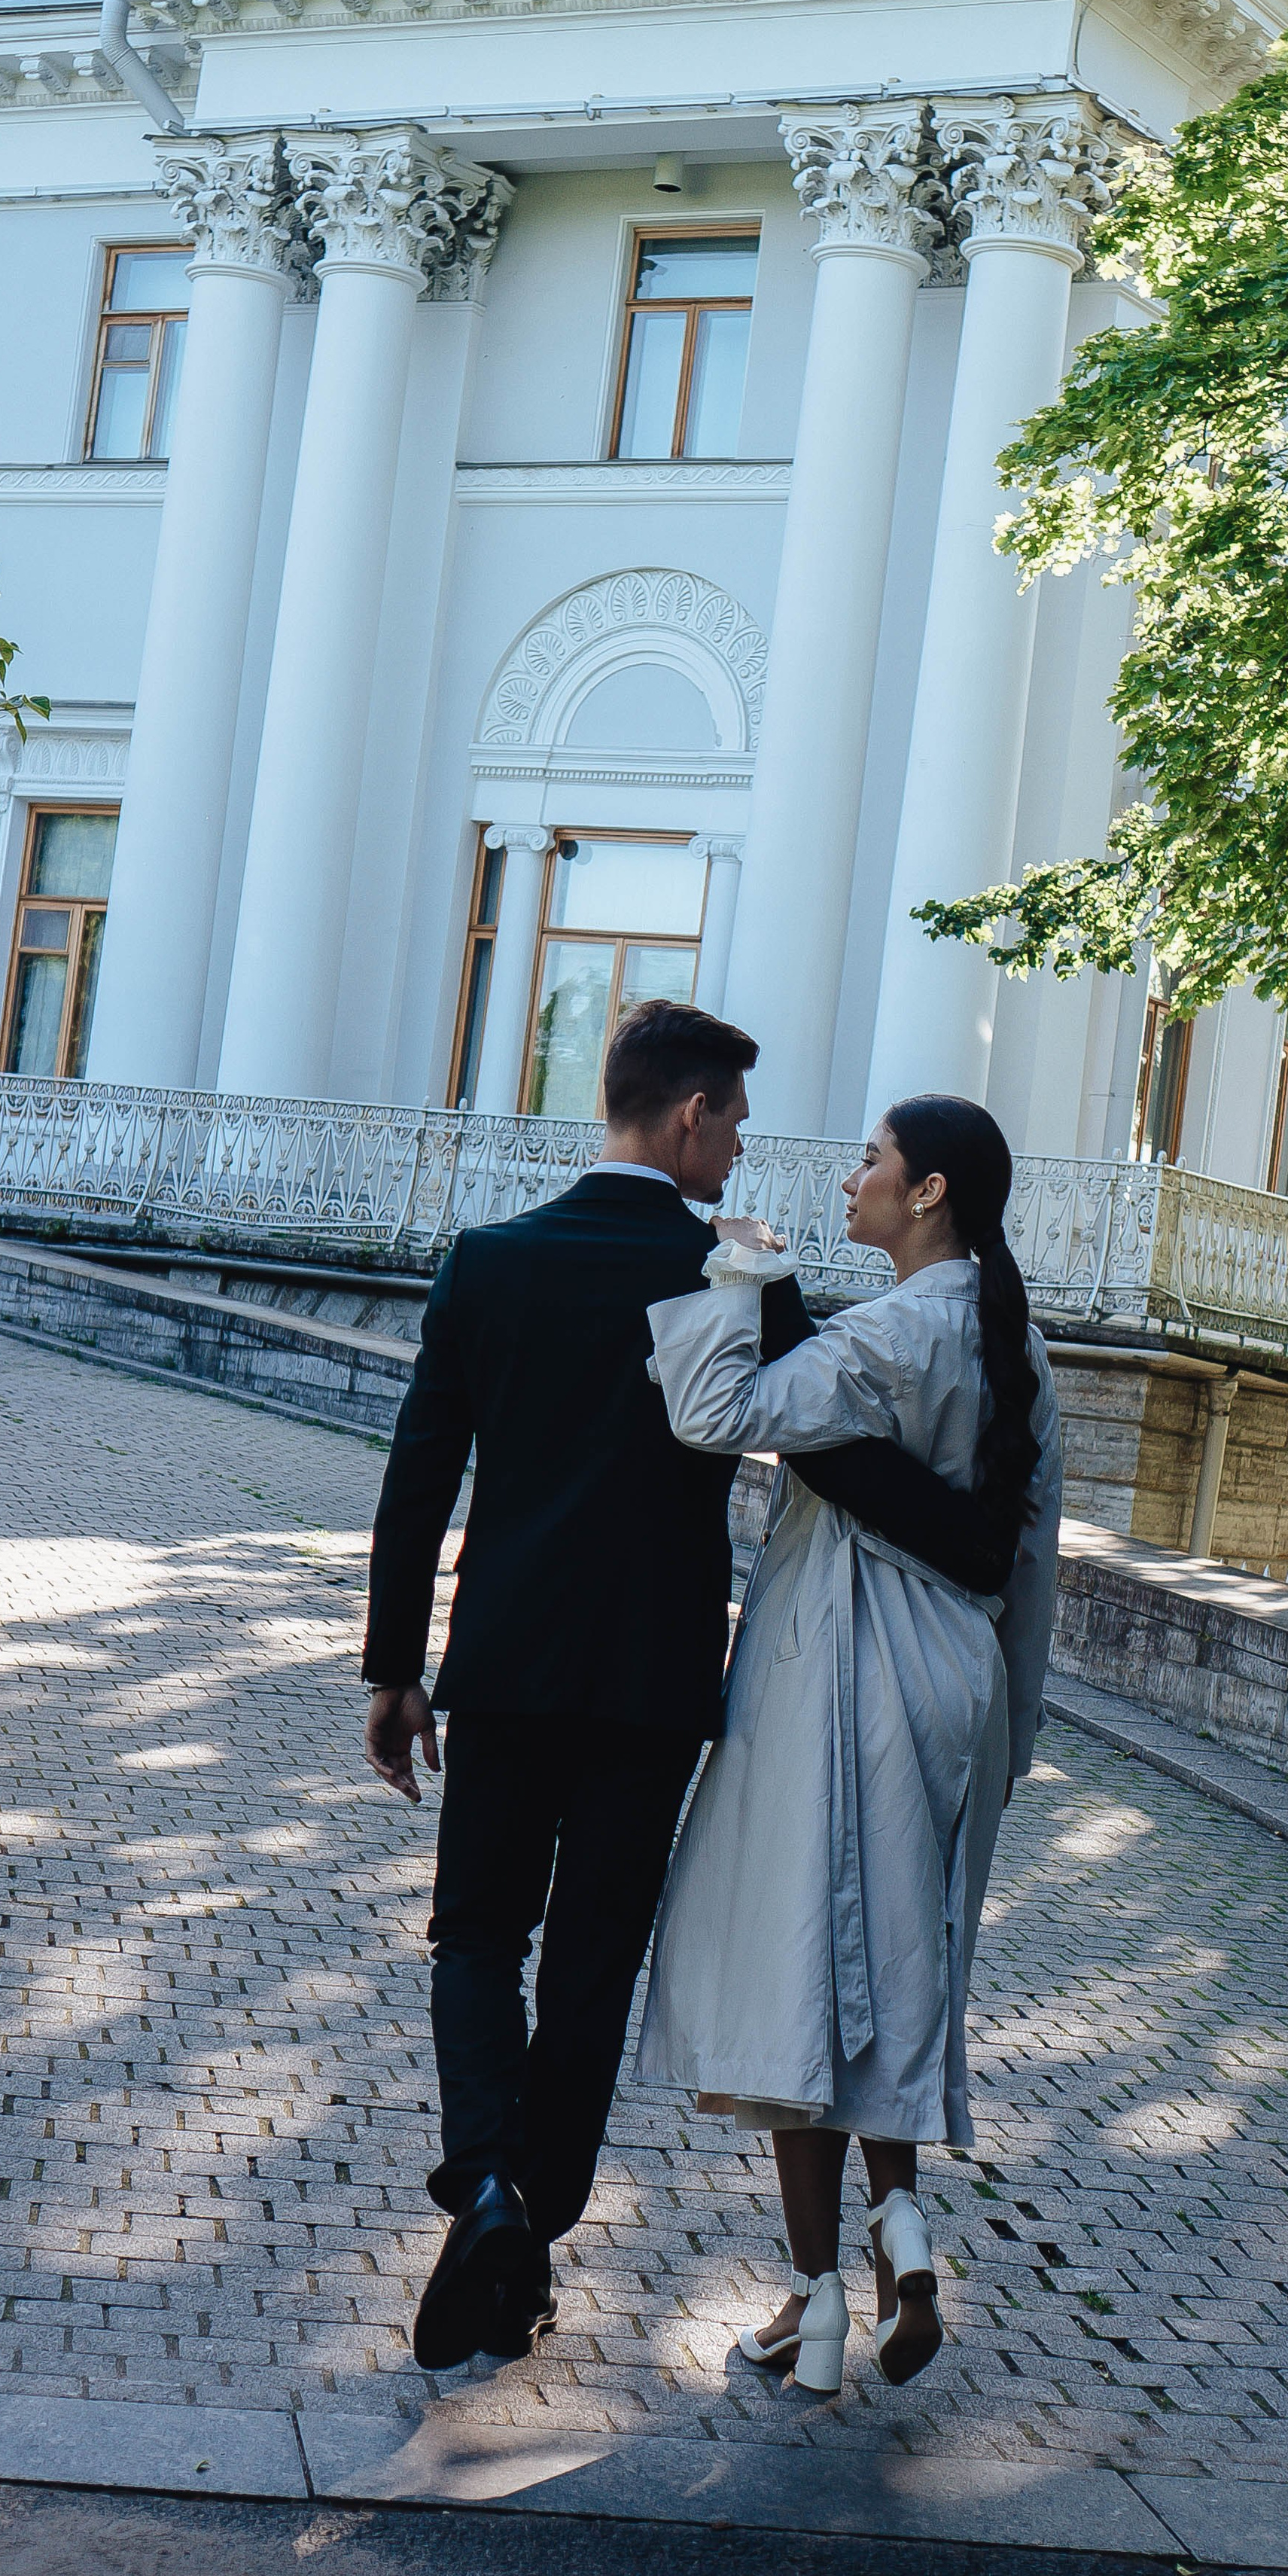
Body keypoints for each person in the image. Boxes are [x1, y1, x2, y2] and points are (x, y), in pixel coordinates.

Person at [360, 1001, 1012, 2376]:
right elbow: (828, 1443)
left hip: (507, 1667)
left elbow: (420, 1477)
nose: (744, 1151)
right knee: (591, 1968)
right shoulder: (741, 1281)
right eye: (737, 1122)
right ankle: (527, 2239)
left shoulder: (489, 1261)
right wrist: (968, 1539)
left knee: (476, 1940)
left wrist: (393, 1668)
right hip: (656, 1685)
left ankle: (483, 2189)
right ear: (690, 1118)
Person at [637, 1094, 1062, 2395]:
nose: (851, 1180)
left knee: (796, 1973)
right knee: (892, 1967)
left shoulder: (888, 1332)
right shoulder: (1019, 1345)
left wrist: (736, 1269)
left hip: (847, 1661)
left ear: (928, 1192)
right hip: (962, 1681)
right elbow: (1033, 1553)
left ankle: (822, 2297)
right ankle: (901, 2233)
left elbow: (712, 1410)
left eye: (872, 1162)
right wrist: (1015, 1726)